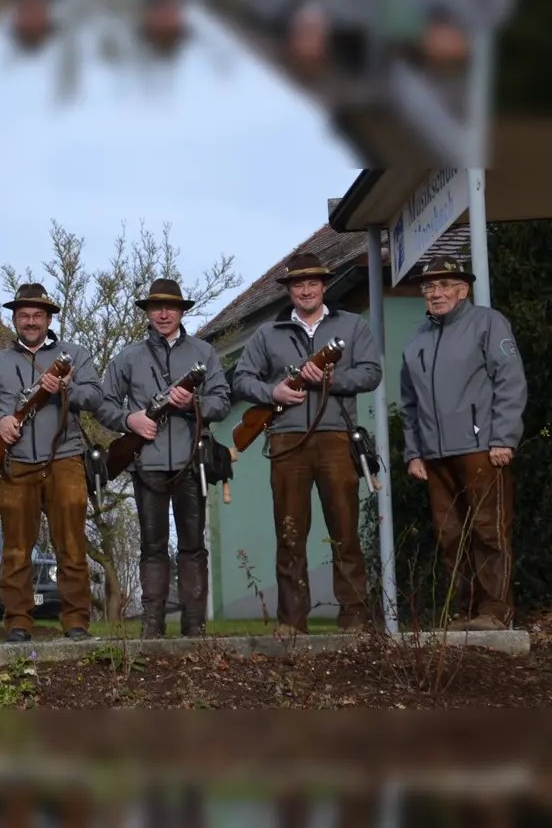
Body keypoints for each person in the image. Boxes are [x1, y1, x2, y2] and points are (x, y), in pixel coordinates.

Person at [232, 252, 382, 636]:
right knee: (290, 533)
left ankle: (354, 618)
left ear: (324, 285)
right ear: (289, 290)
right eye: (298, 284)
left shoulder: (352, 325)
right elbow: (242, 380)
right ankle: (292, 621)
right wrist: (273, 390)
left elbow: (371, 373)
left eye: (312, 283)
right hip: (286, 440)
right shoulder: (268, 332)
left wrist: (329, 381)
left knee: (345, 531)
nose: (305, 290)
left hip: (336, 438)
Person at [0, 282, 105, 643]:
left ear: (49, 319)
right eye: (24, 315)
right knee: (15, 550)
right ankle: (18, 623)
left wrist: (66, 389)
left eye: (38, 315)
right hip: (16, 463)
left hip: (65, 459)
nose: (31, 321)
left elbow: (95, 396)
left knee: (72, 546)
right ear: (14, 319)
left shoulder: (75, 354)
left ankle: (76, 622)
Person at [398, 255, 526, 631]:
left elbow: (510, 381)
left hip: (481, 447)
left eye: (443, 286)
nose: (435, 293)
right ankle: (465, 610)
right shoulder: (417, 338)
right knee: (450, 534)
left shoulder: (488, 323)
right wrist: (413, 451)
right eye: (428, 287)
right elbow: (409, 402)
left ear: (462, 290)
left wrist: (504, 437)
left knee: (488, 529)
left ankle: (495, 610)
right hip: (434, 455)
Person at [98, 279, 230, 638]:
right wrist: (131, 420)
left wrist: (194, 404)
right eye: (156, 307)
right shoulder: (127, 356)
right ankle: (152, 625)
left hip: (191, 461)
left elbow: (222, 400)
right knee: (152, 547)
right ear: (148, 312)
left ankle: (194, 625)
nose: (163, 313)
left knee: (193, 546)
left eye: (170, 307)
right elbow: (103, 403)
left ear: (182, 311)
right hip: (147, 462)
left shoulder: (203, 351)